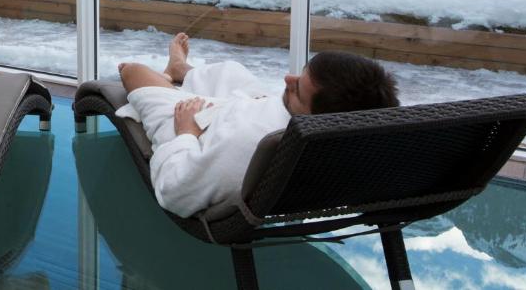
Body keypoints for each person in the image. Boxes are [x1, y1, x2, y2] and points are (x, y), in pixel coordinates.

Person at [115, 33, 399, 217]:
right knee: (232, 72)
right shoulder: (355, 141)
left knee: (133, 71)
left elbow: (174, 192)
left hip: (198, 125)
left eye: (298, 89)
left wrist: (186, 133)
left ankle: (171, 78)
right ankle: (180, 70)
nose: (287, 79)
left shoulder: (249, 144)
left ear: (315, 118)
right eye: (299, 75)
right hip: (251, 111)